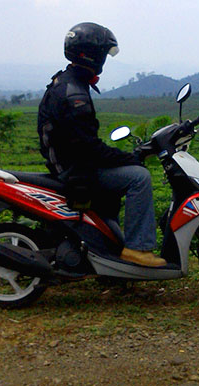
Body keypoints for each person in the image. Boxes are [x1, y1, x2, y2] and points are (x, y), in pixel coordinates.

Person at [37, 22, 166, 268]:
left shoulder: (65, 82)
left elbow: (83, 144)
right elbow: (88, 148)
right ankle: (138, 249)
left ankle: (108, 250)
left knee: (120, 180)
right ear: (92, 54)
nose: (105, 59)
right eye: (104, 54)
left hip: (67, 163)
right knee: (139, 177)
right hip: (76, 169)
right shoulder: (74, 93)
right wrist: (130, 158)